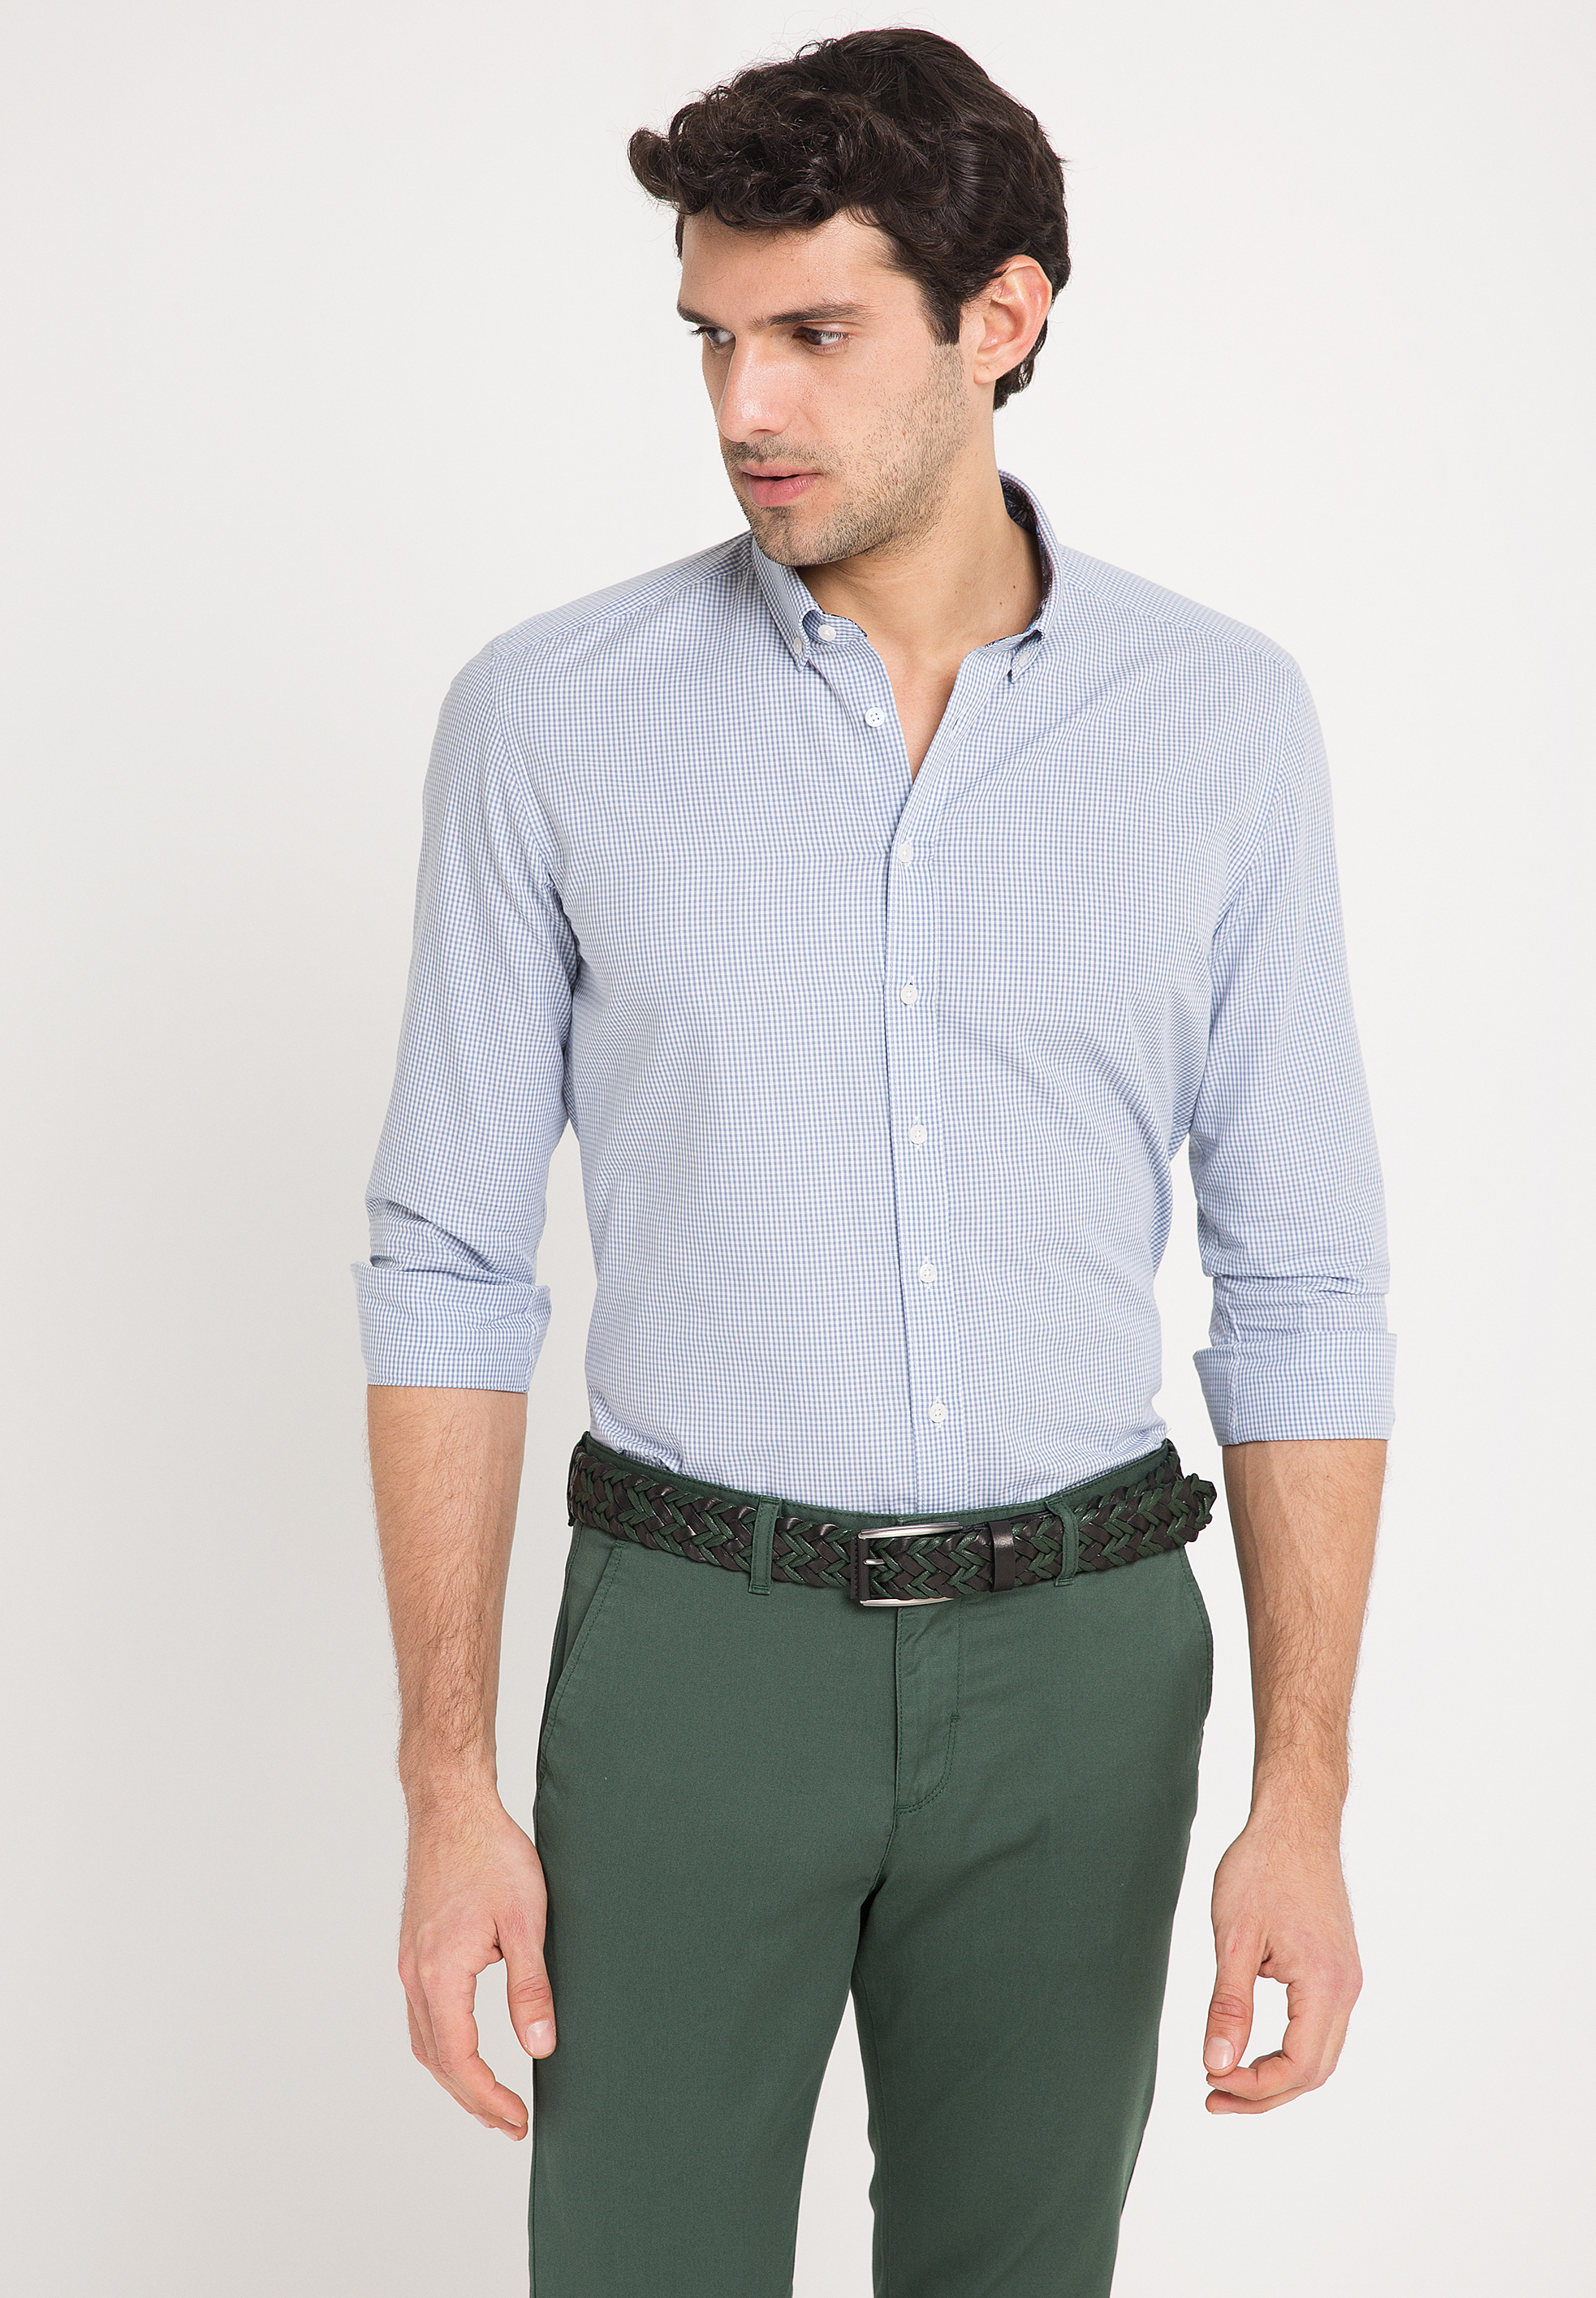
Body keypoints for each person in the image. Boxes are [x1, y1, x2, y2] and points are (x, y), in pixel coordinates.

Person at [354, 27, 1394, 2296]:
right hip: (690, 1655)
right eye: (712, 337)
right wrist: (449, 1788)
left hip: (1085, 1664)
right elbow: (445, 1262)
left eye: (814, 335)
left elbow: (1303, 1280)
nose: (745, 404)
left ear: (1000, 319)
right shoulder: (551, 714)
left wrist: (1299, 1796)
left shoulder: (1221, 722)